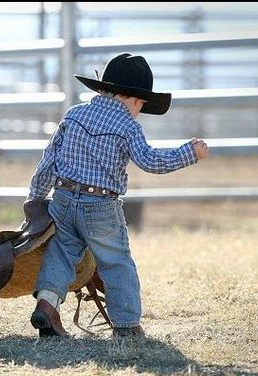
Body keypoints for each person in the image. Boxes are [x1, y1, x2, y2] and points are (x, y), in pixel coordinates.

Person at [27, 53, 210, 338]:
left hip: (62, 198)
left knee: (61, 254)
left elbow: (48, 160)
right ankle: (126, 325)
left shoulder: (74, 115)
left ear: (102, 89)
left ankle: (47, 305)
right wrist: (189, 153)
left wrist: (36, 198)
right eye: (141, 106)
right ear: (136, 100)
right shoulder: (127, 126)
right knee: (116, 261)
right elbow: (151, 161)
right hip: (100, 204)